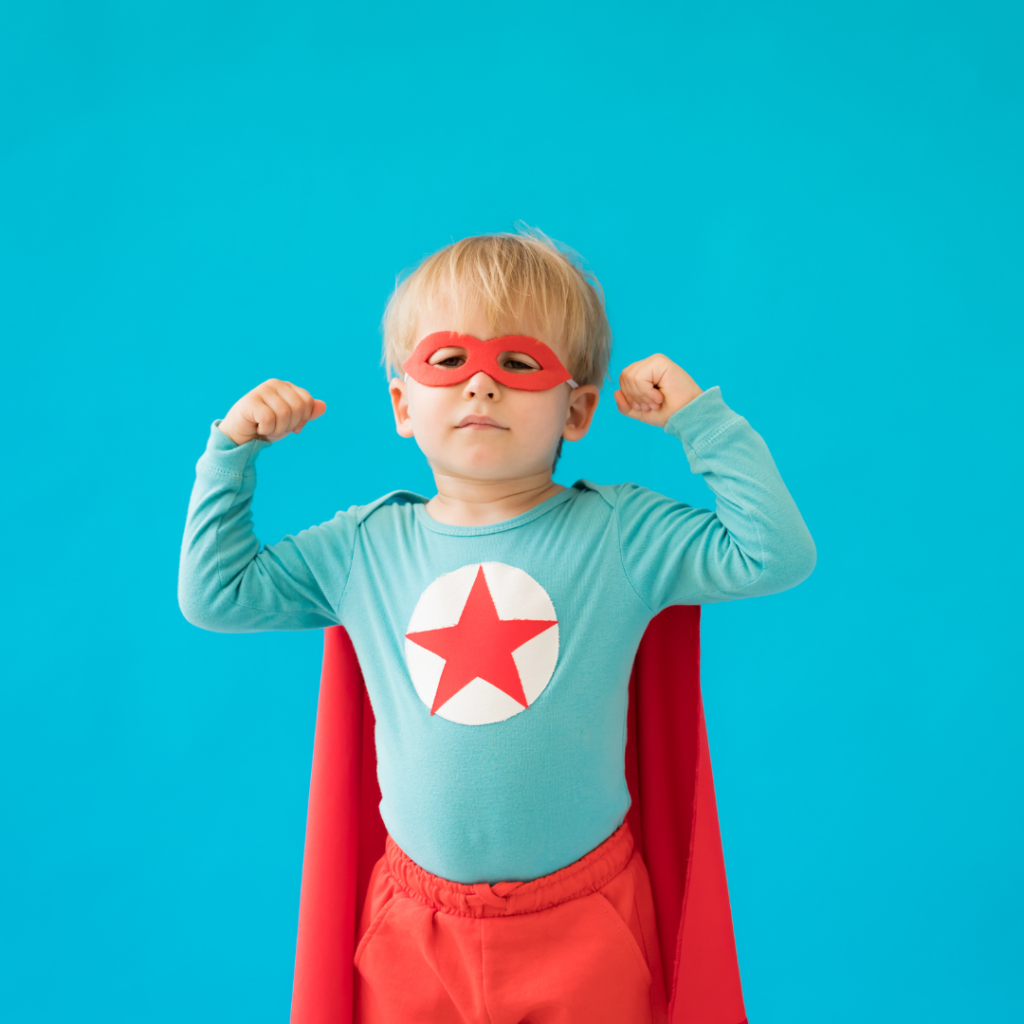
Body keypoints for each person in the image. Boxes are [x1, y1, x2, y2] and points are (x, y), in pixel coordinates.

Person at [178, 228, 816, 1023]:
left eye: (519, 364)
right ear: (404, 404)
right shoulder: (364, 546)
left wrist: (699, 422)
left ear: (577, 407)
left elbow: (775, 555)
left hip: (586, 921)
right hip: (414, 928)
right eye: (450, 361)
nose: (482, 387)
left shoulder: (623, 533)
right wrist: (232, 453)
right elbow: (218, 594)